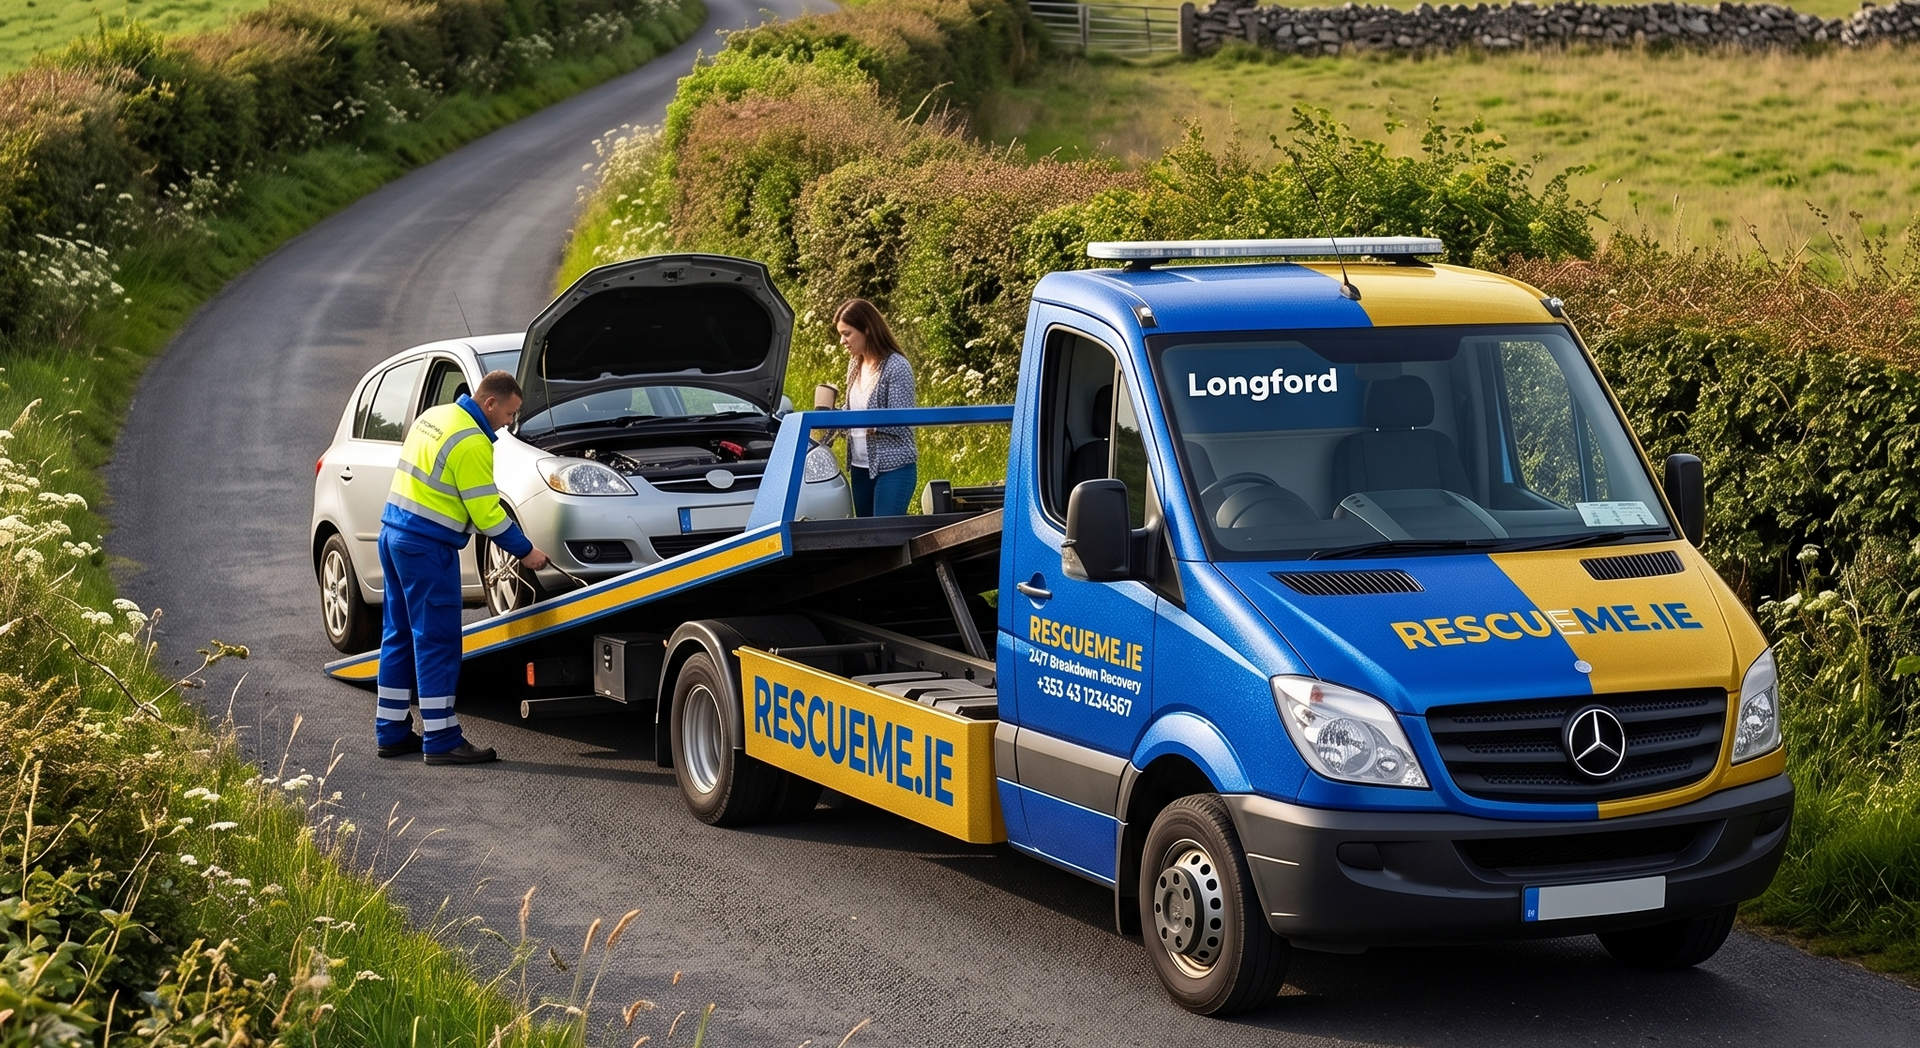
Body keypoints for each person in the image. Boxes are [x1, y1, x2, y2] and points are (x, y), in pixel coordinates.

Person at [375, 370, 549, 765]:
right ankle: (440, 739)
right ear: (490, 403)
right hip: (426, 549)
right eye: (509, 413)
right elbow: (488, 516)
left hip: (393, 535)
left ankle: (391, 731)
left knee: (399, 636)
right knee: (438, 641)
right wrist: (527, 552)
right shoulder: (472, 443)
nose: (509, 423)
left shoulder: (434, 417)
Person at [835, 298, 918, 516]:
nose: (842, 341)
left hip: (894, 467)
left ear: (867, 329)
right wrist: (832, 420)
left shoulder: (897, 366)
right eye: (841, 334)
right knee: (866, 538)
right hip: (860, 467)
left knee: (883, 533)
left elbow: (902, 421)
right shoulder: (855, 364)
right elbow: (852, 408)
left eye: (847, 333)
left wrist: (866, 423)